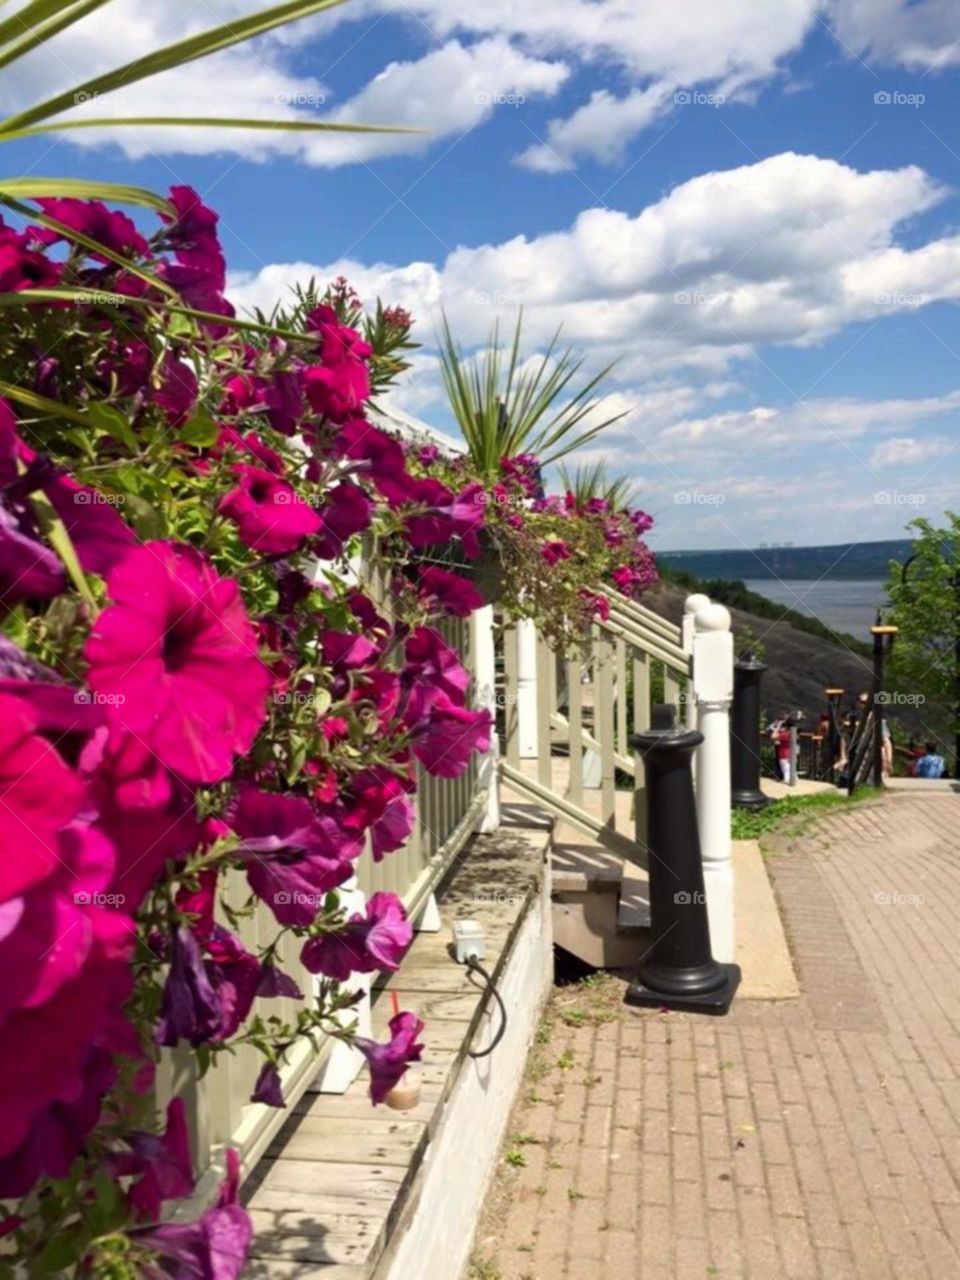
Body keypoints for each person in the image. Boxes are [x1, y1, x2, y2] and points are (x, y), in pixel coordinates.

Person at [772, 716, 796, 782]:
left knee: (786, 772)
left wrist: (778, 727)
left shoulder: (785, 735)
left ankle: (788, 782)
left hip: (783, 754)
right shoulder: (793, 733)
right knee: (790, 770)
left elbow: (773, 736)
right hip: (791, 754)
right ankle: (793, 780)